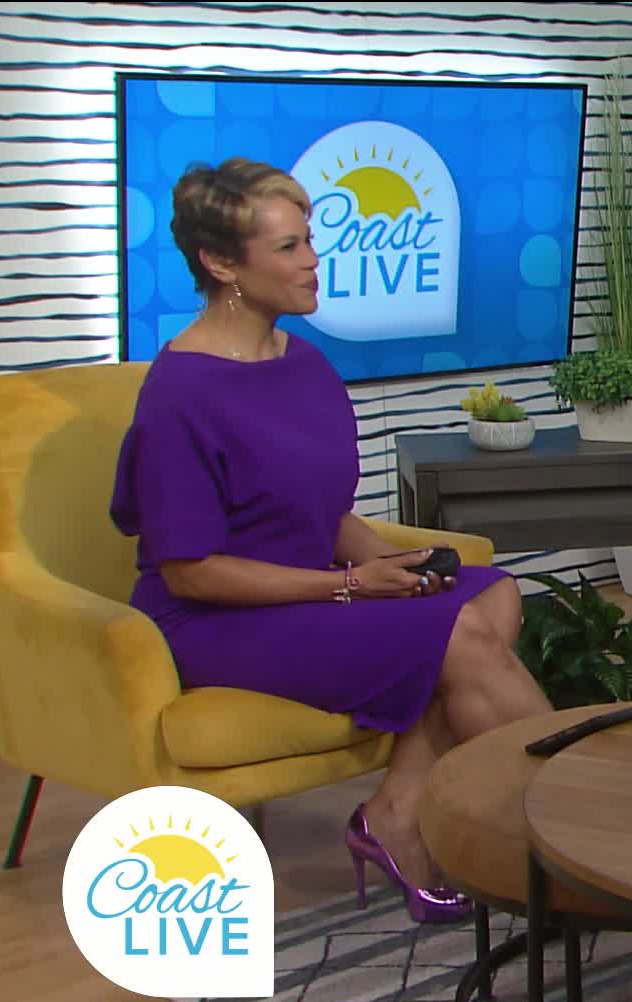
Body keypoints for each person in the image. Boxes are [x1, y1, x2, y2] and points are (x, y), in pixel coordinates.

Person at [109, 158, 554, 923]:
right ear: (221, 263)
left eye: (310, 240)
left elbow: (320, 513)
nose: (314, 260)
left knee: (490, 592)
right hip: (219, 620)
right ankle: (566, 832)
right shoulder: (179, 394)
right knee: (458, 636)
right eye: (288, 247)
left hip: (313, 593)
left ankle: (396, 811)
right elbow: (190, 572)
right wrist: (349, 585)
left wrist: (383, 562)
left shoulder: (306, 365)